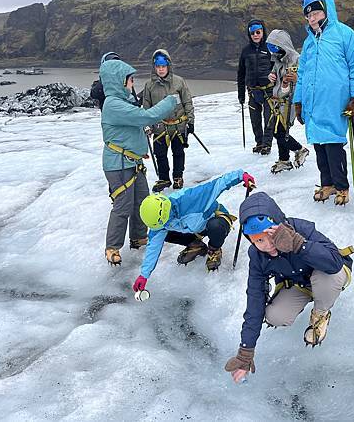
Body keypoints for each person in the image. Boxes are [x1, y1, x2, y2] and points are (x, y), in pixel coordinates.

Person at [224, 192, 353, 383]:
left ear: (279, 225)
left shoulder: (301, 229)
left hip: (327, 274)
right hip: (299, 285)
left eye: (269, 236)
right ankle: (308, 298)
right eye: (258, 240)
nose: (266, 245)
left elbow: (334, 263)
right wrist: (245, 351)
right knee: (276, 316)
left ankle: (321, 313)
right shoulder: (257, 256)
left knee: (329, 277)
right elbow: (255, 298)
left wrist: (298, 244)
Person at [100, 59, 178, 265]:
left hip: (131, 163)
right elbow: (146, 116)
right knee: (123, 205)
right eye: (130, 79)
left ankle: (138, 237)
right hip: (119, 164)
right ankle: (112, 247)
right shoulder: (114, 104)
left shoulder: (122, 102)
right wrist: (171, 101)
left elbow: (132, 127)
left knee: (141, 203)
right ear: (118, 81)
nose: (132, 83)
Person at [293, 0, 354, 206]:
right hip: (313, 104)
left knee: (333, 145)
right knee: (319, 146)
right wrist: (299, 101)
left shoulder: (345, 35)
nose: (312, 17)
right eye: (308, 14)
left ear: (327, 10)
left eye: (316, 12)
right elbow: (303, 74)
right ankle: (327, 183)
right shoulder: (308, 43)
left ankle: (342, 186)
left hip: (335, 103)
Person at [131, 170, 256, 289]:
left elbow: (218, 183)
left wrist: (241, 176)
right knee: (164, 234)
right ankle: (196, 245)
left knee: (215, 226)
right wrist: (144, 275)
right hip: (193, 228)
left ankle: (214, 249)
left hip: (213, 221)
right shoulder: (159, 221)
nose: (163, 225)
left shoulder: (192, 198)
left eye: (164, 222)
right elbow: (153, 246)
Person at [143, 49, 195, 192]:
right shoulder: (149, 86)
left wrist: (190, 121)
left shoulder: (179, 82)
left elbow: (187, 102)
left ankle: (178, 177)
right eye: (158, 67)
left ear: (168, 66)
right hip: (159, 127)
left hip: (179, 125)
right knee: (160, 154)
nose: (160, 69)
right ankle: (164, 178)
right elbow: (146, 107)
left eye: (163, 66)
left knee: (178, 152)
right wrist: (147, 125)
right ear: (154, 67)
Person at [265, 29, 310, 174]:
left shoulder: (297, 59)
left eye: (275, 48)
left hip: (290, 100)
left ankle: (299, 149)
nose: (274, 52)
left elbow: (306, 78)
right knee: (279, 129)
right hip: (278, 100)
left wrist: (297, 80)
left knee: (280, 131)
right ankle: (284, 160)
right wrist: (272, 76)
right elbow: (275, 72)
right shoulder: (278, 60)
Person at [237, 20, 274, 155]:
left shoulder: (270, 49)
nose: (255, 35)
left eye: (258, 32)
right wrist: (241, 95)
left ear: (263, 32)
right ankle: (259, 143)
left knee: (269, 118)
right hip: (252, 91)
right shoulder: (245, 51)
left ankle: (267, 144)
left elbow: (276, 68)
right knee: (255, 120)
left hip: (269, 90)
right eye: (252, 33)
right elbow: (240, 73)